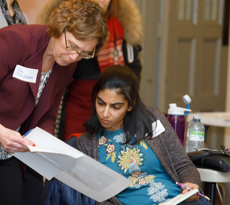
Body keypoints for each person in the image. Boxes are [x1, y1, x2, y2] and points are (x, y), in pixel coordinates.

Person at [0, 0, 109, 204]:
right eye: (71, 46)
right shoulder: (14, 40)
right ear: (59, 26)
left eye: (84, 53)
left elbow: (48, 115)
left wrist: (40, 139)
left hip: (6, 148)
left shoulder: (66, 64)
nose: (73, 56)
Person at [43, 65, 210, 205]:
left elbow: (183, 165)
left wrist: (190, 184)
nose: (105, 113)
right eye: (100, 103)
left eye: (115, 107)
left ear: (131, 105)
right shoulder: (87, 144)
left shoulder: (153, 119)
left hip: (176, 200)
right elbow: (96, 198)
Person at [37, 0, 144, 140]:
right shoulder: (67, 21)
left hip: (113, 106)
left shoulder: (122, 24)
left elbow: (134, 68)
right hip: (74, 106)